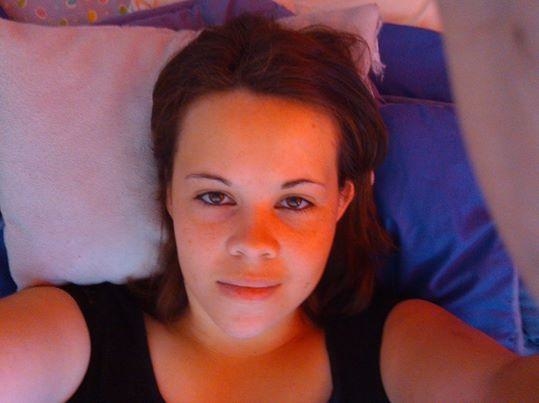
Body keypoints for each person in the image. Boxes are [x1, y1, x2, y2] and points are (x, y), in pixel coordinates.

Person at [1, 13, 538, 403]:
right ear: (168, 195)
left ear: (341, 202)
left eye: (295, 201)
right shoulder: (72, 331)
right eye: (215, 196)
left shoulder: (400, 344)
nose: (253, 243)